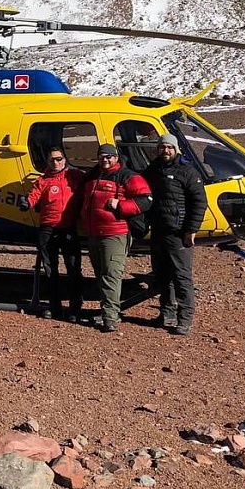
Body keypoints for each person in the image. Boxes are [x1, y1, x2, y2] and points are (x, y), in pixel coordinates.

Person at [78, 143, 153, 333]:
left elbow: (146, 200)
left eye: (109, 156)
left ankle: (110, 316)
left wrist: (121, 206)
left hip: (115, 233)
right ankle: (107, 310)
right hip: (94, 234)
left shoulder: (128, 176)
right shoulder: (93, 176)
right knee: (101, 274)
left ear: (116, 158)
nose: (105, 160)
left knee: (111, 275)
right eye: (102, 156)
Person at [143, 133, 206, 336]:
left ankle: (185, 318)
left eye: (169, 147)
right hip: (158, 231)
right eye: (162, 147)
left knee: (181, 277)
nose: (166, 151)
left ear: (176, 149)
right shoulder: (152, 170)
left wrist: (191, 230)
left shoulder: (188, 172)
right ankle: (166, 312)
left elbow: (199, 203)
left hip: (179, 233)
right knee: (162, 276)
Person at [21, 147, 85, 320]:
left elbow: (91, 184)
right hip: (48, 229)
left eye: (59, 159)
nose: (56, 163)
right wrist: (26, 202)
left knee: (73, 268)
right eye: (52, 160)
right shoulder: (43, 180)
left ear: (64, 160)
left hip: (68, 228)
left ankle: (75, 308)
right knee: (51, 270)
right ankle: (55, 307)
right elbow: (33, 195)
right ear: (48, 162)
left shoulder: (75, 176)